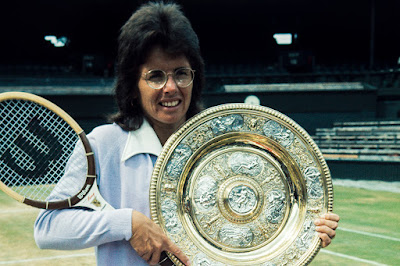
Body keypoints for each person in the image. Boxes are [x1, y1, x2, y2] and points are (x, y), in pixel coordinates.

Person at [34, 1, 340, 266]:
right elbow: (47, 228)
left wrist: (304, 233)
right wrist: (126, 223)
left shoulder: (222, 145)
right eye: (155, 76)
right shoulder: (103, 144)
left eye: (181, 73)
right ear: (133, 83)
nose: (171, 87)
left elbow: (248, 236)